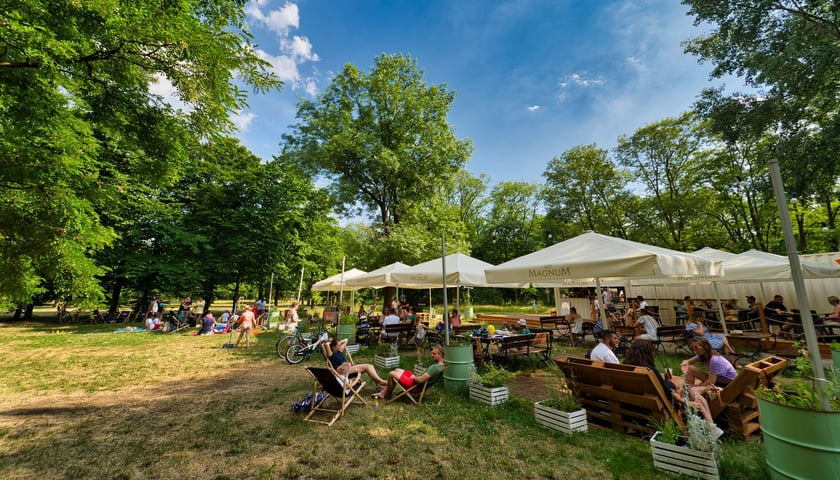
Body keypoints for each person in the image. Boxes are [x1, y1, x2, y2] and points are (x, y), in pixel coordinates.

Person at [624, 339, 721, 438]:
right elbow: (664, 389)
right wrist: (672, 386)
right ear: (647, 353)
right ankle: (702, 422)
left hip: (633, 401)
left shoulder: (625, 365)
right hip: (652, 404)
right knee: (674, 388)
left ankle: (704, 422)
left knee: (676, 389)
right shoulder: (649, 370)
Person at [373, 345, 445, 399]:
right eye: (432, 353)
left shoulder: (434, 367)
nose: (431, 355)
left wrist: (414, 377)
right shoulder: (440, 366)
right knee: (397, 370)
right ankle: (386, 388)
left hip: (414, 384)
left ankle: (386, 394)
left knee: (391, 374)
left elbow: (420, 380)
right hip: (415, 379)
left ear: (440, 355)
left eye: (434, 354)